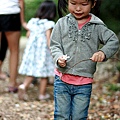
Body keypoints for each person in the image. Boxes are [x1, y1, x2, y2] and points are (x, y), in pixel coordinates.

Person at [50, 0, 119, 119]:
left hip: (84, 83)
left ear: (93, 3)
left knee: (79, 116)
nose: (78, 8)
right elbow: (55, 45)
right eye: (73, 3)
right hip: (62, 79)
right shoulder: (61, 23)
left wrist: (103, 52)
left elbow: (113, 41)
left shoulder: (97, 26)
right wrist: (58, 57)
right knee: (61, 115)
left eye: (83, 4)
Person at [18, 0, 56, 100]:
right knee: (44, 75)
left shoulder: (32, 21)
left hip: (32, 52)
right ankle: (42, 94)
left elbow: (28, 35)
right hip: (43, 54)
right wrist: (53, 51)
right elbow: (48, 39)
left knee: (31, 72)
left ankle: (24, 86)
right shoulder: (49, 24)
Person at [0, 0, 27, 93]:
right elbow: (21, 1)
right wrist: (22, 21)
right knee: (14, 51)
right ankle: (12, 84)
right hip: (11, 13)